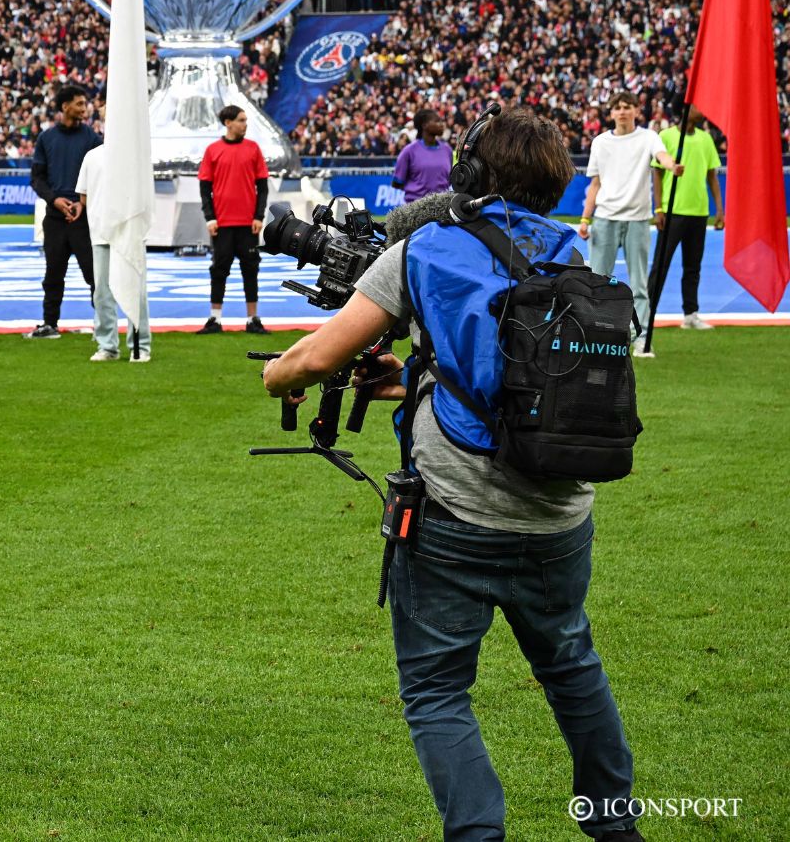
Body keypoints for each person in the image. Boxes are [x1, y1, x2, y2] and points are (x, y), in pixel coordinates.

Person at [261, 106, 642, 842]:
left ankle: (477, 835)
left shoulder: (429, 249)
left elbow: (313, 358)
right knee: (572, 665)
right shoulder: (576, 255)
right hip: (562, 514)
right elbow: (525, 379)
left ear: (469, 173)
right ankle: (615, 824)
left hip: (455, 515)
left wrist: (277, 376)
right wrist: (413, 379)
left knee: (437, 690)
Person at [578, 92, 681, 353]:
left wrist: (672, 167)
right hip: (604, 218)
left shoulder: (649, 137)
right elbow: (595, 183)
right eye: (618, 108)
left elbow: (662, 156)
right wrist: (585, 219)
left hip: (636, 220)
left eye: (627, 107)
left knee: (639, 285)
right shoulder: (600, 142)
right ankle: (596, 333)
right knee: (598, 281)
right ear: (611, 113)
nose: (623, 112)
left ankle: (641, 339)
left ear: (636, 111)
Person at [29, 84, 101, 338]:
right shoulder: (46, 138)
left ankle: (103, 324)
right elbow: (37, 178)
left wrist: (83, 202)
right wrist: (54, 200)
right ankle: (49, 324)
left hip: (84, 219)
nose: (85, 108)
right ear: (65, 107)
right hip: (56, 218)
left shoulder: (93, 139)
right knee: (53, 274)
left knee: (94, 273)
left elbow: (100, 176)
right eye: (80, 103)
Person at [73, 137, 150, 364]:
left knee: (135, 291)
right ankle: (108, 345)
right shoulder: (92, 156)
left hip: (130, 234)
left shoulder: (136, 156)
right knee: (103, 292)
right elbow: (84, 196)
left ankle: (140, 345)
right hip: (102, 233)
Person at [198, 104, 269, 335]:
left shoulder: (253, 149)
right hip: (222, 224)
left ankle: (252, 319)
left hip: (248, 224)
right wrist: (210, 218)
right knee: (219, 270)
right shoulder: (212, 150)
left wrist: (259, 215)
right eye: (241, 120)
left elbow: (263, 186)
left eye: (245, 120)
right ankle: (215, 319)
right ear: (228, 123)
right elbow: (204, 187)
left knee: (251, 270)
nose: (244, 124)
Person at [653, 106, 724, 332]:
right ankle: (646, 314)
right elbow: (657, 173)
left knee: (693, 267)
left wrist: (720, 210)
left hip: (699, 212)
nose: (702, 110)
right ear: (685, 109)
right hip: (672, 211)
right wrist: (658, 209)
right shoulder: (666, 136)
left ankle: (691, 314)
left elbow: (712, 177)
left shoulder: (706, 138)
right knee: (660, 266)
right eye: (697, 106)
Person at [393, 109, 453, 203]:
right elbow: (397, 182)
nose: (442, 124)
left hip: (442, 208)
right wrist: (417, 192)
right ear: (424, 125)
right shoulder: (409, 151)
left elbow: (448, 180)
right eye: (437, 121)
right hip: (415, 209)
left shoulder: (447, 150)